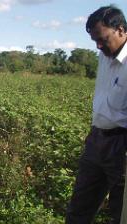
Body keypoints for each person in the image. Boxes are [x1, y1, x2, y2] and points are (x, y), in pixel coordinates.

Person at [66, 5, 127, 224]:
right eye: (95, 42)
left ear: (121, 29)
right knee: (79, 207)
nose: (99, 46)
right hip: (96, 140)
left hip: (121, 146)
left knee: (120, 212)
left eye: (102, 39)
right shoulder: (104, 56)